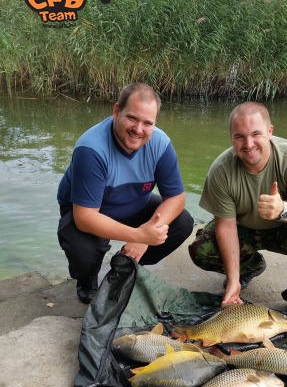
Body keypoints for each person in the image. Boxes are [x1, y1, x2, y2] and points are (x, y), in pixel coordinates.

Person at [188, 101, 287, 324]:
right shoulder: (221, 170)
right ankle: (249, 267)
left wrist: (283, 209)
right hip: (243, 230)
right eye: (240, 137)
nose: (249, 144)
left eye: (256, 134)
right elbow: (226, 226)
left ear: (270, 132)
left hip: (284, 228)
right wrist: (233, 280)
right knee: (200, 249)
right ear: (231, 138)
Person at [57, 83, 194, 303]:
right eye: (132, 118)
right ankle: (88, 278)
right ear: (116, 111)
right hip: (89, 211)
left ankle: (127, 266)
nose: (138, 129)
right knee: (83, 247)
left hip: (133, 203)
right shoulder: (91, 149)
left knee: (182, 222)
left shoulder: (160, 144)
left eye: (147, 123)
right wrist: (138, 235)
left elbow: (176, 198)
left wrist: (144, 239)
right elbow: (85, 217)